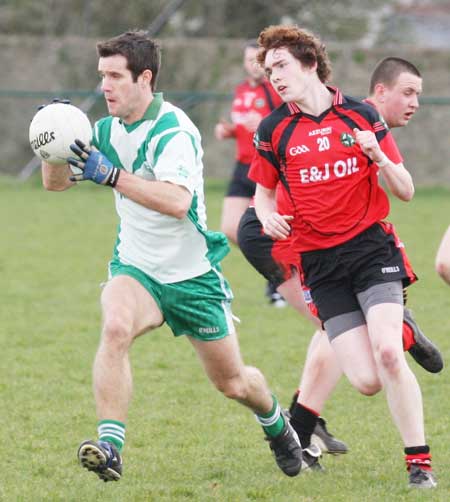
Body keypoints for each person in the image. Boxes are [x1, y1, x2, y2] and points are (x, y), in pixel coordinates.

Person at [41, 30, 304, 481]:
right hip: (136, 267)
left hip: (193, 277)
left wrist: (113, 176)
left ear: (144, 78)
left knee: (233, 383)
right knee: (117, 326)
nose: (104, 86)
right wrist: (52, 143)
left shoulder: (174, 129)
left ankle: (277, 423)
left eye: (115, 76)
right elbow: (56, 183)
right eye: (101, 75)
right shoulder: (104, 130)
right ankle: (111, 447)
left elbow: (177, 201)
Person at [249, 25, 436, 488]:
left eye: (282, 66)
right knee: (367, 381)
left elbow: (407, 190)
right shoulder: (274, 130)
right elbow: (261, 196)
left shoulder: (360, 115)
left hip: (371, 250)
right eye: (269, 70)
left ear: (310, 63)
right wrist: (268, 216)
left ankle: (419, 465)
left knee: (388, 354)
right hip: (321, 266)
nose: (274, 77)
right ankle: (404, 329)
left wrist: (379, 157)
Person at [214, 41, 285, 306]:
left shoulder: (275, 90)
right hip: (241, 165)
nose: (251, 65)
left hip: (265, 167)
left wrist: (265, 123)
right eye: (247, 60)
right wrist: (229, 131)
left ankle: (281, 280)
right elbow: (245, 126)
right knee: (230, 229)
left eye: (257, 60)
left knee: (269, 228)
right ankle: (277, 270)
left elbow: (288, 121)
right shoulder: (242, 89)